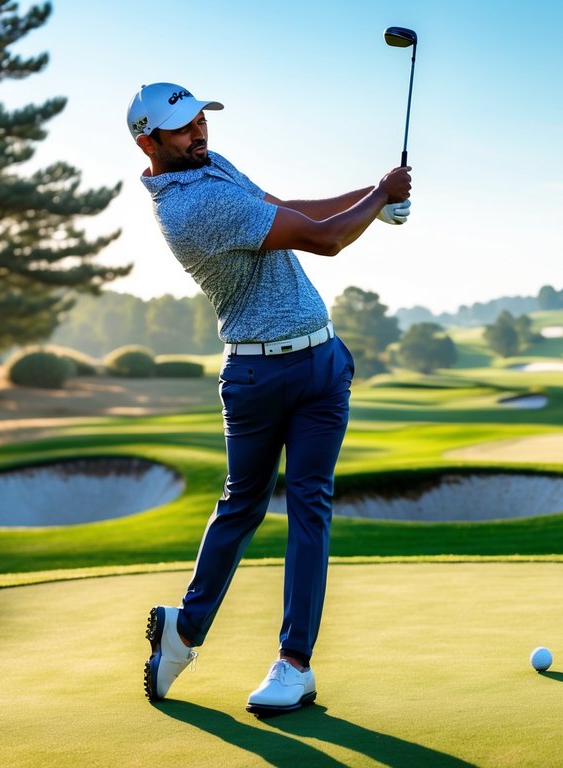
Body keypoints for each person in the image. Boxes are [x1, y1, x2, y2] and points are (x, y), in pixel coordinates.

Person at [128, 82, 412, 716]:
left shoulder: (212, 167)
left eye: (201, 120)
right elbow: (324, 241)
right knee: (245, 506)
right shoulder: (191, 207)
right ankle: (186, 630)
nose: (199, 132)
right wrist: (379, 197)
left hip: (322, 364)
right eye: (183, 127)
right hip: (258, 375)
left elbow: (288, 210)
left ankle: (293, 664)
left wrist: (372, 197)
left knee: (309, 507)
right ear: (148, 143)